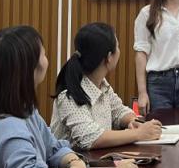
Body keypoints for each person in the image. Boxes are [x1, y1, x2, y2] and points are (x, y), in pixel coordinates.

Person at [0, 25, 140, 168]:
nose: (47, 59)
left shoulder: (24, 109)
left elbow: (53, 147)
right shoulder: (8, 127)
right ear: (31, 69)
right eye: (43, 53)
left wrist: (74, 162)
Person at [51, 22, 163, 150]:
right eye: (118, 47)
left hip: (100, 158)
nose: (119, 51)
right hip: (75, 162)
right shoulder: (69, 94)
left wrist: (132, 121)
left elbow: (118, 111)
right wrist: (138, 134)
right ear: (109, 57)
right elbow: (91, 138)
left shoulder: (101, 84)